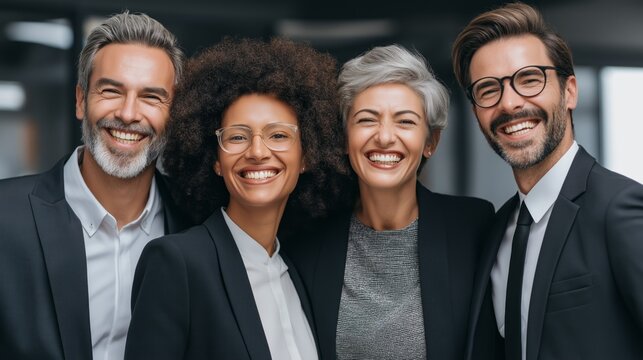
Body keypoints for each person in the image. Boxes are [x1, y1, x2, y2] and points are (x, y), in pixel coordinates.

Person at [124, 37, 348, 360]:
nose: (257, 152)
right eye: (238, 136)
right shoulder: (178, 264)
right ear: (215, 159)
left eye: (278, 135)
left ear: (306, 156)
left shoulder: (296, 272)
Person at [451, 3, 643, 360]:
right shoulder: (495, 231)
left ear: (569, 91)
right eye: (488, 89)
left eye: (529, 79)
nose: (509, 103)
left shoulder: (621, 209)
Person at [284, 44, 494, 360]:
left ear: (430, 142)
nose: (384, 137)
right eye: (367, 120)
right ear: (344, 138)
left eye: (405, 121)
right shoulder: (307, 241)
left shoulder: (472, 228)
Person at [0, 12, 186, 360]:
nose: (129, 114)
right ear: (80, 100)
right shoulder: (4, 218)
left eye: (151, 97)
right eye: (112, 90)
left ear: (173, 115)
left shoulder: (196, 222)